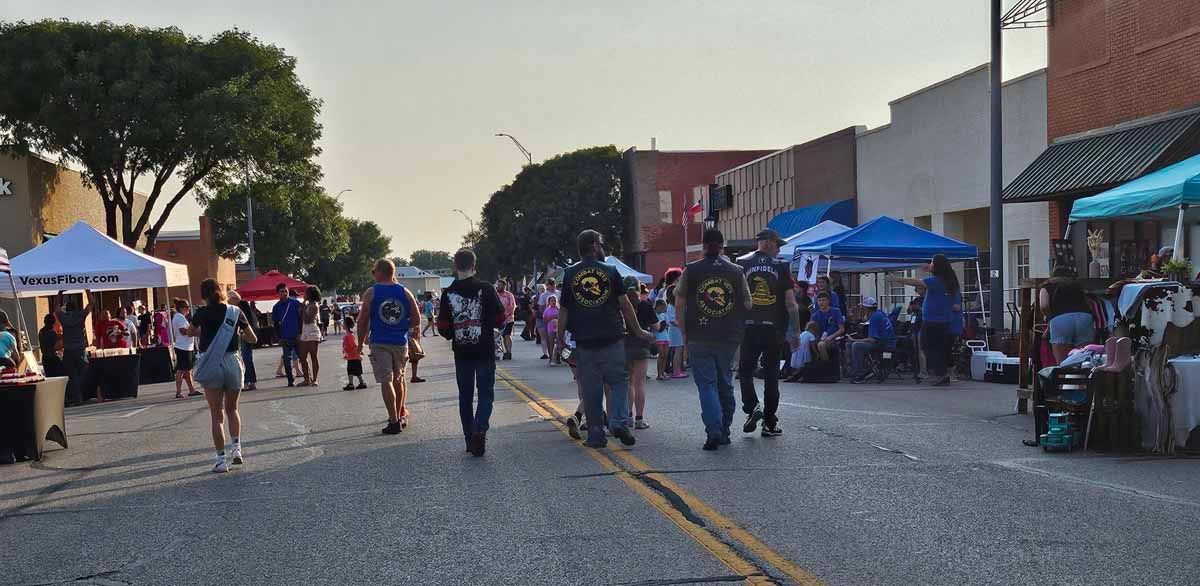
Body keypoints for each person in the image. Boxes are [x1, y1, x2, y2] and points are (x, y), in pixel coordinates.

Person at [555, 230, 653, 449]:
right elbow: (625, 305)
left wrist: (559, 339)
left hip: (584, 341)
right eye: (601, 244)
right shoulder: (610, 271)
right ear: (593, 246)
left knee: (591, 389)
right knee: (618, 381)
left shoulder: (570, 274)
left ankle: (596, 435)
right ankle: (618, 422)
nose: (603, 248)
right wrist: (638, 331)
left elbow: (564, 310)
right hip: (612, 338)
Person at [675, 228, 752, 451]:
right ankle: (725, 428)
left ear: (703, 245)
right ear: (722, 246)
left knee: (706, 386)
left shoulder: (691, 270)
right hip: (727, 335)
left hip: (699, 334)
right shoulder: (736, 271)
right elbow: (747, 304)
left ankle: (714, 430)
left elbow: (679, 303)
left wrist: (684, 333)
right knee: (725, 382)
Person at [183, 278, 256, 473]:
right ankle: (237, 450)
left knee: (216, 415)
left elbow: (190, 332)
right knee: (232, 410)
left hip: (212, 362)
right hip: (232, 361)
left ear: (203, 295)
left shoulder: (202, 313)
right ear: (220, 291)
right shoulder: (235, 311)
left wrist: (202, 331)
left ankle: (221, 460)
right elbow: (253, 338)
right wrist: (237, 334)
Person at [437, 249, 505, 456]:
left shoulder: (448, 293)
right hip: (484, 350)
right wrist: (487, 326)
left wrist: (454, 334)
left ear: (455, 266)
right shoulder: (486, 288)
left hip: (462, 352)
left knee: (465, 396)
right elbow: (501, 316)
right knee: (486, 394)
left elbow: (441, 326)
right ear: (474, 265)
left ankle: (469, 439)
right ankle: (480, 429)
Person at [737, 228, 800, 438]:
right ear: (770, 243)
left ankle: (752, 406)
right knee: (771, 373)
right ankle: (770, 423)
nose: (779, 250)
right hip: (774, 328)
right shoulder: (781, 266)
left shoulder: (741, 263)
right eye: (778, 245)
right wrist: (796, 332)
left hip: (747, 326)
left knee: (745, 370)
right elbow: (791, 304)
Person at [357, 258, 421, 435]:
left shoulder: (372, 292)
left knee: (386, 380)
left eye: (373, 270)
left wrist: (360, 342)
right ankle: (400, 415)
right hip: (400, 342)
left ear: (380, 272)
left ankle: (393, 420)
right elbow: (416, 320)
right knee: (398, 379)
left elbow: (362, 321)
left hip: (380, 341)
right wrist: (400, 325)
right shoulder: (405, 292)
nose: (373, 274)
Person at [890, 254, 961, 386]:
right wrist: (929, 268)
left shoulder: (936, 281)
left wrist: (897, 279)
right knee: (937, 347)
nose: (930, 264)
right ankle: (942, 374)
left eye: (932, 263)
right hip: (942, 320)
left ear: (938, 266)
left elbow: (916, 282)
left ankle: (941, 374)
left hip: (933, 320)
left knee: (927, 346)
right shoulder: (947, 280)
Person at [1039, 265, 1095, 364]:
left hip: (1060, 319)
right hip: (1084, 317)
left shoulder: (1047, 286)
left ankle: (1064, 378)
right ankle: (1083, 379)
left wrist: (1050, 317)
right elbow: (1089, 304)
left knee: (1063, 363)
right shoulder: (1077, 286)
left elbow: (1044, 305)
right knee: (1084, 360)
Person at [624, 276, 657, 429]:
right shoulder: (646, 305)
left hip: (624, 346)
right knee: (640, 383)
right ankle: (639, 419)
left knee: (628, 383)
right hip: (641, 346)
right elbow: (656, 326)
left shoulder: (621, 306)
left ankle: (628, 416)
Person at [55, 290, 94, 406]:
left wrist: (59, 294)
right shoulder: (80, 315)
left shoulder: (63, 317)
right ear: (76, 308)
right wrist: (87, 290)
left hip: (68, 350)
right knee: (83, 371)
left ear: (66, 309)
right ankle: (80, 395)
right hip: (79, 350)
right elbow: (91, 304)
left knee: (72, 375)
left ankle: (77, 397)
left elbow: (56, 307)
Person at [849, 297, 897, 383]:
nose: (862, 310)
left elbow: (872, 340)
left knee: (856, 345)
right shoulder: (879, 313)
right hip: (886, 341)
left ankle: (860, 374)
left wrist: (854, 340)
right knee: (849, 344)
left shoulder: (875, 318)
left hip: (884, 344)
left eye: (863, 308)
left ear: (867, 309)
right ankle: (858, 369)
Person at [271, 283, 304, 387]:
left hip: (297, 336)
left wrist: (300, 333)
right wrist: (279, 337)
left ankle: (308, 377)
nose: (284, 293)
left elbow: (301, 319)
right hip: (285, 337)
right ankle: (290, 380)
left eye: (286, 291)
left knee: (302, 357)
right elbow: (275, 324)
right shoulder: (276, 307)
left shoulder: (296, 303)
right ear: (278, 294)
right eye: (282, 292)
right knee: (286, 359)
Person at [228, 290, 258, 391]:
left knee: (246, 358)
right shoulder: (231, 308)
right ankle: (245, 382)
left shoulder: (242, 306)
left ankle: (250, 382)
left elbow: (248, 322)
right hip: (237, 336)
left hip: (244, 335)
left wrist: (245, 333)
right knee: (242, 359)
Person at [172, 299, 198, 397]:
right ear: (182, 308)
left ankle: (192, 390)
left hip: (186, 346)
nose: (188, 309)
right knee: (181, 369)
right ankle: (178, 391)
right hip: (183, 347)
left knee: (187, 369)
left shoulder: (180, 317)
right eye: (186, 307)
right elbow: (183, 331)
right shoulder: (179, 317)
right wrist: (195, 332)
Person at [297, 286, 323, 386]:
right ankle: (306, 378)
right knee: (302, 356)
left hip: (312, 330)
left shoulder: (314, 306)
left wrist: (303, 307)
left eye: (306, 293)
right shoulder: (308, 305)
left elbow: (308, 319)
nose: (304, 295)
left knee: (313, 355)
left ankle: (315, 379)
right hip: (305, 330)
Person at [811, 292, 845, 363]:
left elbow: (841, 329)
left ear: (828, 301)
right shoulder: (815, 316)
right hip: (821, 338)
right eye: (819, 300)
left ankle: (827, 366)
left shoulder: (836, 311)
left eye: (823, 300)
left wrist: (831, 337)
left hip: (835, 338)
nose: (821, 302)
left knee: (821, 345)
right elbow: (814, 332)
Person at [341, 316, 367, 390]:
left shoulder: (348, 337)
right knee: (356, 371)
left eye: (343, 323)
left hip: (353, 357)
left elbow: (353, 346)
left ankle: (351, 384)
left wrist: (357, 354)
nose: (342, 325)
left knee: (351, 371)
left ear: (346, 325)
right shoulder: (350, 336)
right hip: (352, 356)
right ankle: (361, 383)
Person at [665, 286, 686, 378]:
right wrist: (682, 324)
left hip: (676, 330)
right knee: (678, 350)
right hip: (676, 331)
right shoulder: (670, 306)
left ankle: (677, 369)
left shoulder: (672, 305)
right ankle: (676, 371)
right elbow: (672, 320)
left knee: (679, 350)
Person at [537, 279, 559, 359]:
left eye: (553, 284)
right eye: (550, 284)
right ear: (548, 285)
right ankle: (550, 356)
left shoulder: (558, 293)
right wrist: (549, 316)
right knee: (550, 339)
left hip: (559, 322)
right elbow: (541, 308)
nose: (552, 286)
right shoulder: (544, 295)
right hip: (548, 322)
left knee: (560, 340)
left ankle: (558, 356)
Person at [496, 279, 517, 360]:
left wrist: (506, 315)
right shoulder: (495, 295)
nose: (498, 287)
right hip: (497, 320)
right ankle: (497, 352)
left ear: (504, 286)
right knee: (496, 337)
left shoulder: (509, 295)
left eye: (500, 285)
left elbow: (512, 307)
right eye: (498, 285)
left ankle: (508, 352)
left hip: (508, 319)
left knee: (507, 335)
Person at [653, 299, 670, 380]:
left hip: (666, 336)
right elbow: (655, 327)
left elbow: (667, 325)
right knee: (661, 355)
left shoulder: (664, 315)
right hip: (658, 337)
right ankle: (659, 374)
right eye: (662, 308)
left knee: (665, 355)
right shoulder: (654, 314)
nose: (663, 309)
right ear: (658, 306)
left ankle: (663, 372)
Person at [543, 296, 561, 364]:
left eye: (554, 300)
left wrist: (557, 317)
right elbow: (544, 320)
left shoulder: (559, 309)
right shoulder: (547, 310)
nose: (553, 302)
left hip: (559, 328)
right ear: (549, 302)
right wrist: (551, 317)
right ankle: (551, 358)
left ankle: (558, 357)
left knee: (559, 343)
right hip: (550, 328)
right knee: (551, 343)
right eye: (552, 301)